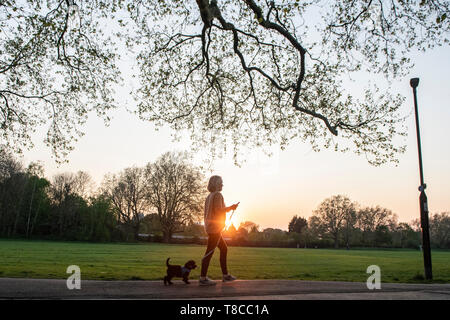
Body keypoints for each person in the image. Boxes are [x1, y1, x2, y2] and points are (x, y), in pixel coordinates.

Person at [199, 175, 239, 286]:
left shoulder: (209, 196)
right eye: (221, 182)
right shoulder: (217, 195)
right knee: (209, 252)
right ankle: (203, 278)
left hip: (210, 227)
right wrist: (231, 207)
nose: (222, 185)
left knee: (224, 249)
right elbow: (218, 210)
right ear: (216, 184)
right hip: (215, 229)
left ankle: (225, 275)